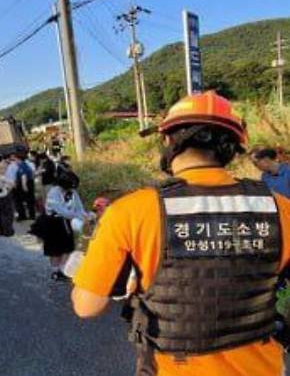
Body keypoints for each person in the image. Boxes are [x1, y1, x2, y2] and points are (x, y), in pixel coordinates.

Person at [72, 91, 290, 376]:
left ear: (168, 141)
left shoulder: (130, 211)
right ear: (232, 146)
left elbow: (87, 306)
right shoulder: (280, 207)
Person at [31, 165, 85, 281]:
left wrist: (85, 215)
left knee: (67, 248)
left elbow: (79, 207)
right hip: (53, 223)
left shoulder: (73, 192)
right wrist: (77, 215)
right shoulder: (53, 193)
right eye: (70, 187)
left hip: (66, 223)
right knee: (55, 250)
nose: (72, 190)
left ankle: (63, 270)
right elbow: (62, 211)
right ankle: (55, 271)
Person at [0, 160, 15, 236]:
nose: (6, 170)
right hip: (5, 196)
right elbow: (12, 183)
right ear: (0, 169)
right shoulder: (1, 177)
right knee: (7, 215)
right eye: (5, 169)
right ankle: (8, 231)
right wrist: (9, 187)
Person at [11, 153, 36, 221]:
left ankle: (30, 215)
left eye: (15, 160)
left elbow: (23, 176)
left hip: (26, 183)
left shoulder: (22, 166)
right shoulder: (25, 165)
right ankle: (31, 215)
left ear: (19, 159)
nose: (15, 161)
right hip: (29, 182)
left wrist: (24, 186)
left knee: (28, 200)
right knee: (29, 200)